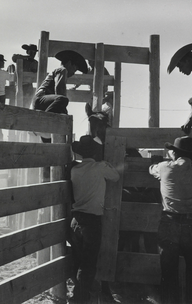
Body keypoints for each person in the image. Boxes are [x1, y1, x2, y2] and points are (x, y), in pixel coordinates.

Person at [149, 136, 192, 303]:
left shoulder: (164, 168)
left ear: (175, 153)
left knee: (169, 270)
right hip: (191, 224)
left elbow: (152, 169)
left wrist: (157, 162)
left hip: (169, 221)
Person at [69, 135, 120, 303]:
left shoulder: (74, 170)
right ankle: (80, 300)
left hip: (75, 220)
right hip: (92, 221)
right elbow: (116, 176)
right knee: (88, 265)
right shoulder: (100, 168)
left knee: (78, 260)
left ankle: (80, 296)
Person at [32, 50, 88, 143]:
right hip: (41, 99)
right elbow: (59, 90)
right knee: (62, 100)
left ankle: (48, 136)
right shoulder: (62, 70)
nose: (74, 72)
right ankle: (44, 122)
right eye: (74, 68)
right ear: (69, 63)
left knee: (50, 142)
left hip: (44, 104)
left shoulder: (59, 71)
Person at [9, 44, 39, 108]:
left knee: (27, 105)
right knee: (18, 104)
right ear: (27, 52)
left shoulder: (35, 62)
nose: (33, 54)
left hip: (28, 86)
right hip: (20, 85)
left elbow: (36, 71)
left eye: (34, 53)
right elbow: (14, 57)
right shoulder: (22, 59)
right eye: (31, 52)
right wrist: (26, 57)